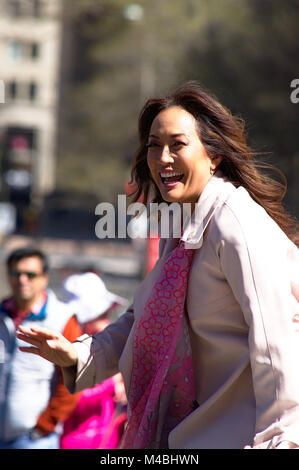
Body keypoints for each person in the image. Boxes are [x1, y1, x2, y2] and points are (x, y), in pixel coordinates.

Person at [17, 81, 299, 449]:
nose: (163, 158)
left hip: (240, 436)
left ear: (213, 156)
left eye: (177, 145)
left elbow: (275, 336)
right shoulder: (179, 227)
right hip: (185, 437)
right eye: (153, 145)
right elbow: (144, 318)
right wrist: (80, 354)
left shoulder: (234, 222)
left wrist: (283, 438)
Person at [0, 247, 81, 449]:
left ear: (44, 278)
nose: (22, 280)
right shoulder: (3, 313)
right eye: (16, 273)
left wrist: (45, 424)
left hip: (33, 439)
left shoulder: (62, 318)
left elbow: (74, 375)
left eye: (30, 274)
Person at [58, 272, 127, 449]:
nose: (108, 314)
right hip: (78, 442)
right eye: (101, 312)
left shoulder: (107, 348)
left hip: (107, 439)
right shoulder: (69, 351)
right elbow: (73, 401)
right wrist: (113, 384)